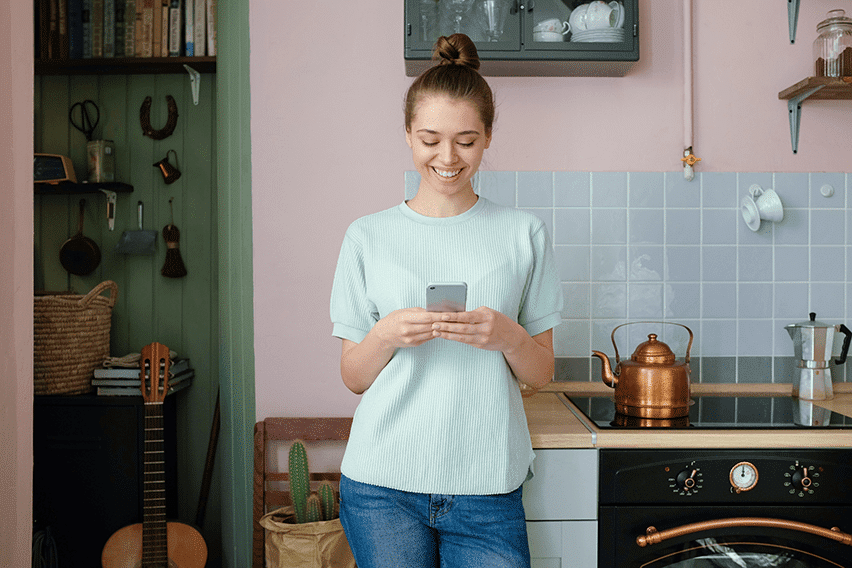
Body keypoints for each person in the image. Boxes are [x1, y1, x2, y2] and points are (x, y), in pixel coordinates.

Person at [329, 33, 563, 568]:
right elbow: (354, 376)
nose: (448, 157)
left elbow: (542, 372)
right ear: (408, 135)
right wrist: (386, 333)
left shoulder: (523, 233)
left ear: (487, 139)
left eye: (466, 140)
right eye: (430, 138)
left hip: (486, 485)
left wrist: (508, 336)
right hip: (381, 486)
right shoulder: (366, 236)